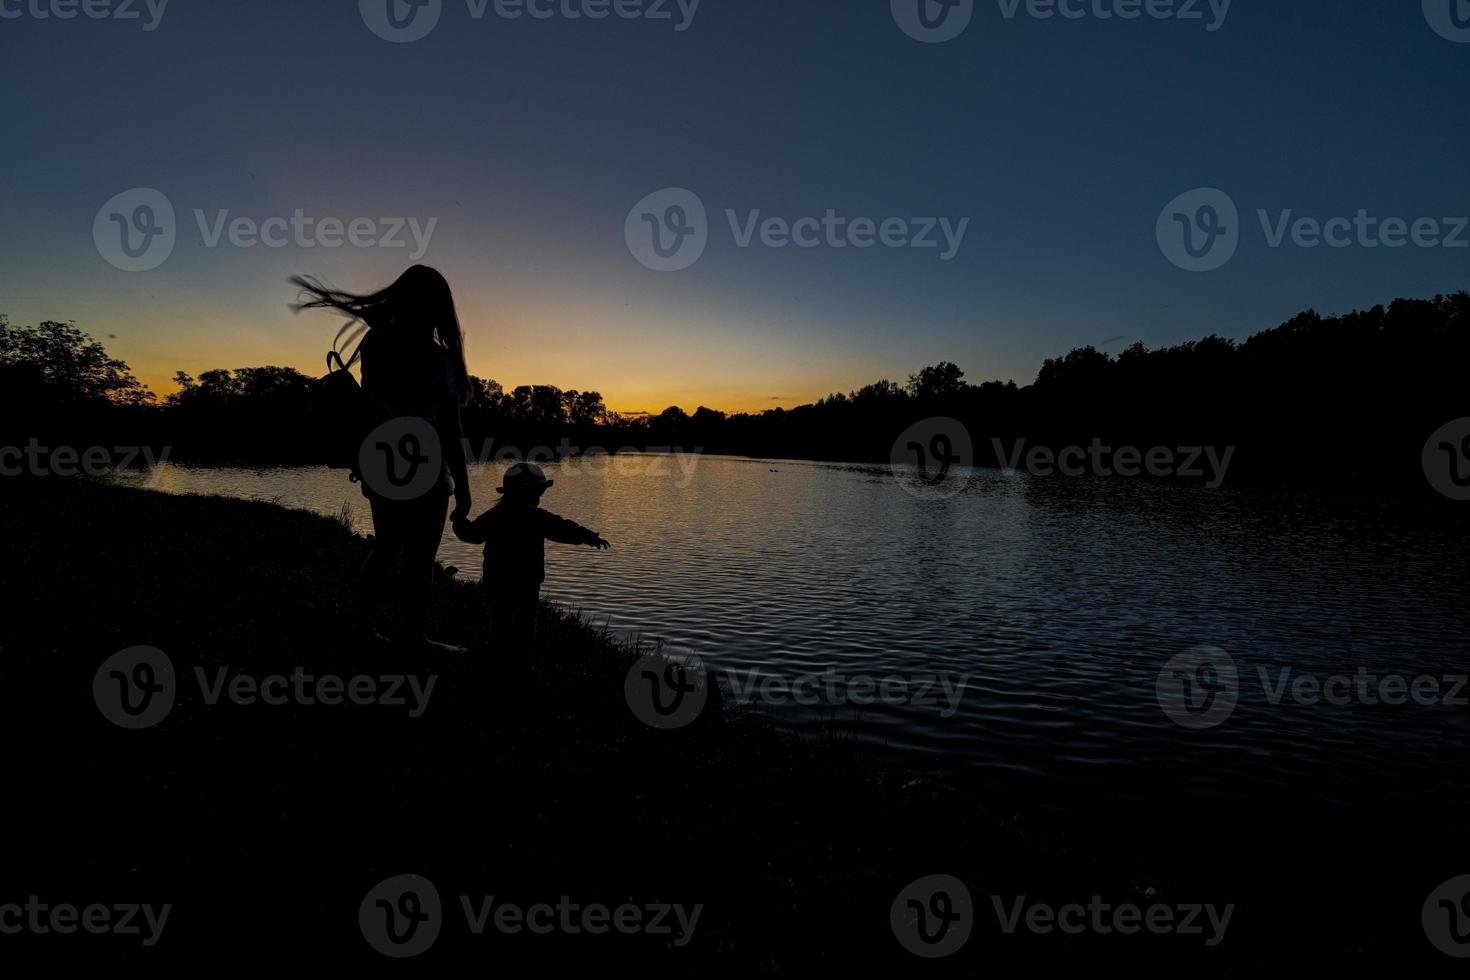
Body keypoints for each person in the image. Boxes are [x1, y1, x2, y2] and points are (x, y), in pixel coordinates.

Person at [292, 265, 472, 652]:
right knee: (420, 559)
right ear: (440, 308)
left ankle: (363, 627)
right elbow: (451, 431)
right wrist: (464, 491)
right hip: (425, 464)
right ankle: (413, 638)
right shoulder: (437, 358)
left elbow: (374, 405)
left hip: (381, 461)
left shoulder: (377, 342)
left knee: (386, 549)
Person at [451, 462, 609, 666]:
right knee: (525, 623)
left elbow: (471, 534)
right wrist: (588, 537)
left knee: (500, 622)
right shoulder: (536, 516)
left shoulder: (495, 514)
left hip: (496, 579)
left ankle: (495, 658)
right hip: (527, 581)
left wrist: (458, 522)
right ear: (530, 493)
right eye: (539, 491)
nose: (540, 496)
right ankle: (521, 665)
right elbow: (562, 528)